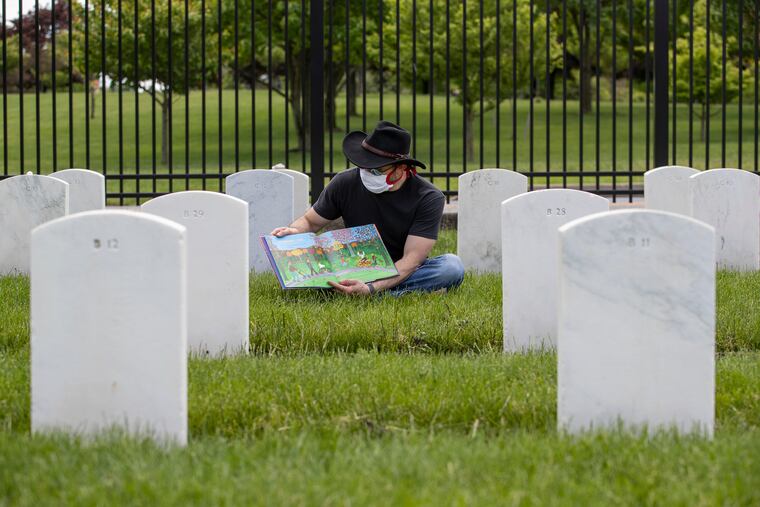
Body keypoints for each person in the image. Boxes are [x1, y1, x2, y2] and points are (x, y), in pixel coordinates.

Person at [271, 120, 464, 296]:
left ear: (401, 168)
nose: (366, 173)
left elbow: (412, 260)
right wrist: (294, 231)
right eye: (362, 165)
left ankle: (376, 295)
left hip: (402, 271)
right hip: (353, 266)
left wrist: (371, 288)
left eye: (376, 169)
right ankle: (380, 292)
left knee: (451, 267)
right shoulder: (344, 182)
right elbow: (310, 221)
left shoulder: (429, 197)